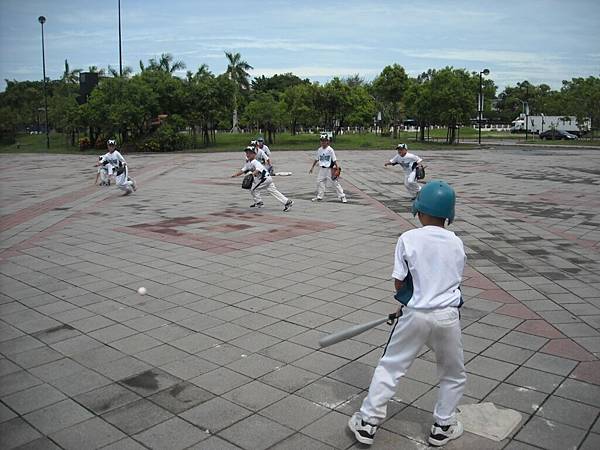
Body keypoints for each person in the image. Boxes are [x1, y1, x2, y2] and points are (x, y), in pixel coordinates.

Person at [348, 180, 466, 447]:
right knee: (452, 373)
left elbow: (400, 283)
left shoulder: (409, 238)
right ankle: (443, 426)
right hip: (448, 316)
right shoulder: (457, 243)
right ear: (449, 214)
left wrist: (405, 303)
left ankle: (368, 422)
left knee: (391, 368)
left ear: (420, 211)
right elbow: (451, 280)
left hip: (415, 315)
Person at [232, 146, 293, 212]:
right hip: (267, 178)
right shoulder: (248, 163)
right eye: (247, 153)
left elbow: (258, 170)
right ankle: (287, 202)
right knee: (273, 191)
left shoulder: (255, 162)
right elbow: (243, 170)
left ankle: (259, 202)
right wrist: (235, 175)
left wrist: (252, 174)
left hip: (264, 179)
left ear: (254, 154)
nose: (248, 154)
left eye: (250, 153)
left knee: (253, 189)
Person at [308, 133, 347, 203]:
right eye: (322, 140)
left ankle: (342, 196)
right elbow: (316, 159)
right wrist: (312, 167)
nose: (323, 142)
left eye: (325, 141)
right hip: (322, 169)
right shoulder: (319, 150)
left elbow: (334, 159)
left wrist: (337, 168)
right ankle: (320, 196)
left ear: (327, 141)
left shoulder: (330, 150)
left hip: (329, 169)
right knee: (319, 182)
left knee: (335, 183)